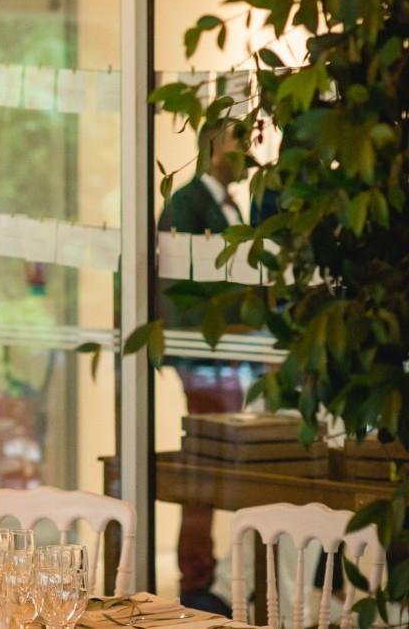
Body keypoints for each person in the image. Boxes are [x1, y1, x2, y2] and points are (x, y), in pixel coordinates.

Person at [157, 129, 245, 616]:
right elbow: (176, 281)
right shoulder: (186, 204)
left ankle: (210, 575)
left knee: (222, 465)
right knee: (206, 466)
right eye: (237, 146)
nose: (245, 155)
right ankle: (196, 578)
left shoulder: (228, 203)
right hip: (207, 359)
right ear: (213, 150)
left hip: (235, 356)